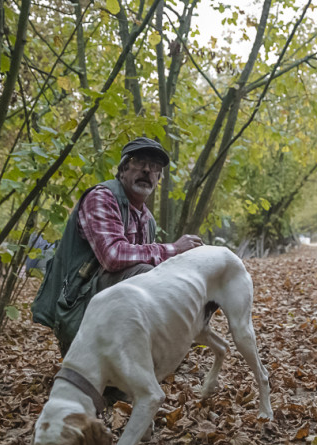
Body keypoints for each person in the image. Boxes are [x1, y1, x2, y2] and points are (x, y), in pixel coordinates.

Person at [32, 137, 203, 353]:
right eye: (140, 162)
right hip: (81, 321)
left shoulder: (147, 219)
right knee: (147, 273)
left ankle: (154, 349)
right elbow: (113, 256)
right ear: (123, 169)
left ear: (158, 179)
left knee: (167, 276)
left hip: (117, 316)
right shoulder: (102, 197)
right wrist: (174, 249)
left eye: (155, 167)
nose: (147, 170)